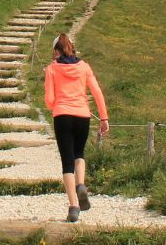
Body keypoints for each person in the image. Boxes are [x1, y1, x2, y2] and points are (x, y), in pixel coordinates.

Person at [43, 33, 109, 223]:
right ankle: (81, 184)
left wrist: (53, 106)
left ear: (56, 51)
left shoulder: (51, 69)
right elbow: (96, 92)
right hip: (83, 115)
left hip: (62, 115)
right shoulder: (84, 67)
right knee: (79, 154)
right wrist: (103, 117)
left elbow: (49, 99)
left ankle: (73, 207)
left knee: (66, 162)